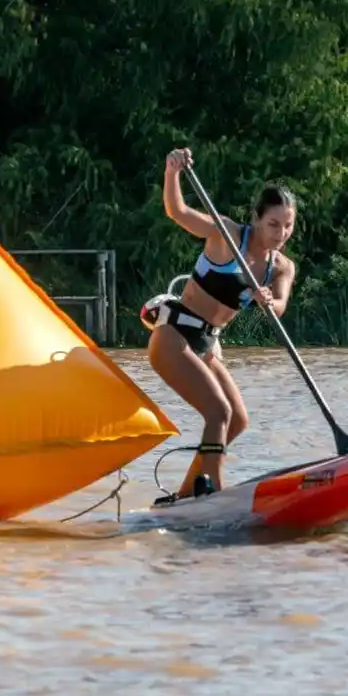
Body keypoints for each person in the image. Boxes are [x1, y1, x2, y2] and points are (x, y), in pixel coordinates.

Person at [140, 147, 297, 501]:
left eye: (288, 225)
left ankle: (185, 496)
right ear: (256, 219)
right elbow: (176, 212)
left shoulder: (282, 267)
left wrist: (270, 300)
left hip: (209, 346)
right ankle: (211, 492)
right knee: (218, 412)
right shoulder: (226, 234)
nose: (281, 233)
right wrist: (171, 172)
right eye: (273, 224)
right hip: (175, 334)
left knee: (237, 420)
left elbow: (282, 304)